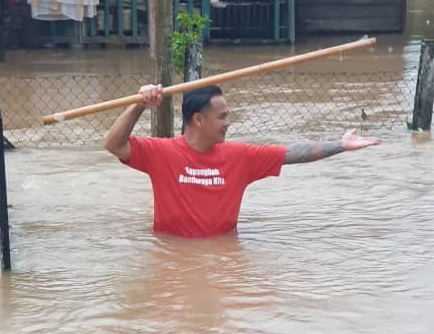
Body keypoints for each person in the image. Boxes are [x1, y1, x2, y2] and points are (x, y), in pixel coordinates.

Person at [105, 84, 380, 238]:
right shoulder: (161, 152)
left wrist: (341, 145)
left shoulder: (240, 156)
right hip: (170, 252)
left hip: (223, 256)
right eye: (222, 116)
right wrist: (140, 103)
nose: (228, 123)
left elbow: (294, 153)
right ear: (198, 119)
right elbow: (113, 144)